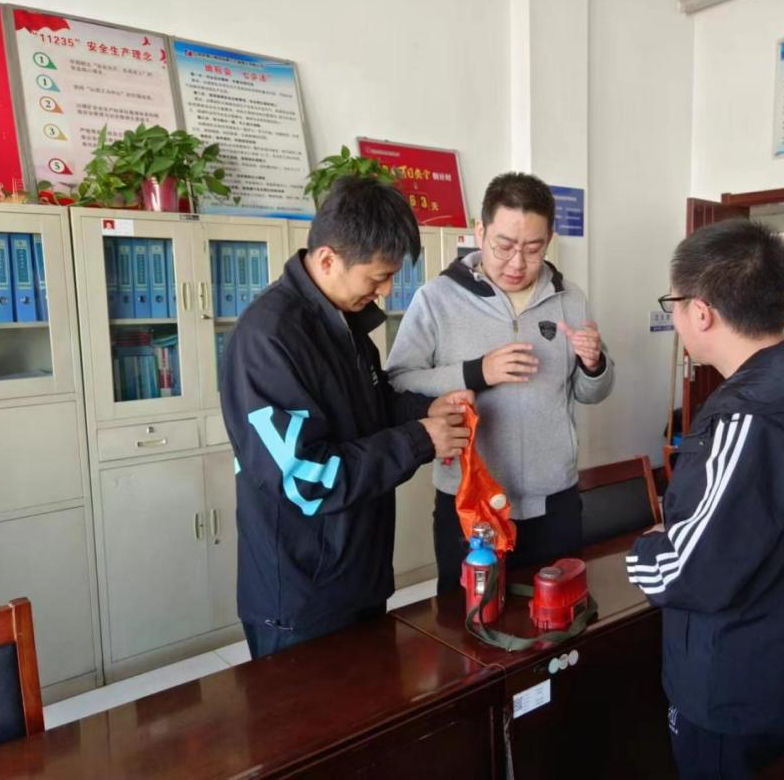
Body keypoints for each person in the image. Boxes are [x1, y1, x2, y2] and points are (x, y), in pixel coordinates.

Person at [626, 219, 784, 779]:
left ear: (701, 312)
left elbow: (689, 572)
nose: (676, 318)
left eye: (674, 304)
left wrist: (644, 551)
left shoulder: (748, 417)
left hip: (735, 690)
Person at [221, 176, 473, 659]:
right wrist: (420, 439)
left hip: (357, 575)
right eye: (377, 277)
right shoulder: (268, 340)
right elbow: (306, 477)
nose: (385, 291)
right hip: (303, 597)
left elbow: (365, 411)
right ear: (328, 260)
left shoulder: (343, 322)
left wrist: (425, 410)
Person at [386, 171, 614, 593]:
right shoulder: (436, 299)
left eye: (533, 248)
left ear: (549, 240)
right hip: (471, 503)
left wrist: (594, 364)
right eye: (504, 245)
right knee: (470, 619)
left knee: (556, 618)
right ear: (480, 231)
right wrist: (478, 372)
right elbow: (398, 383)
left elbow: (590, 393)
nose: (517, 263)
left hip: (554, 501)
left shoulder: (569, 298)